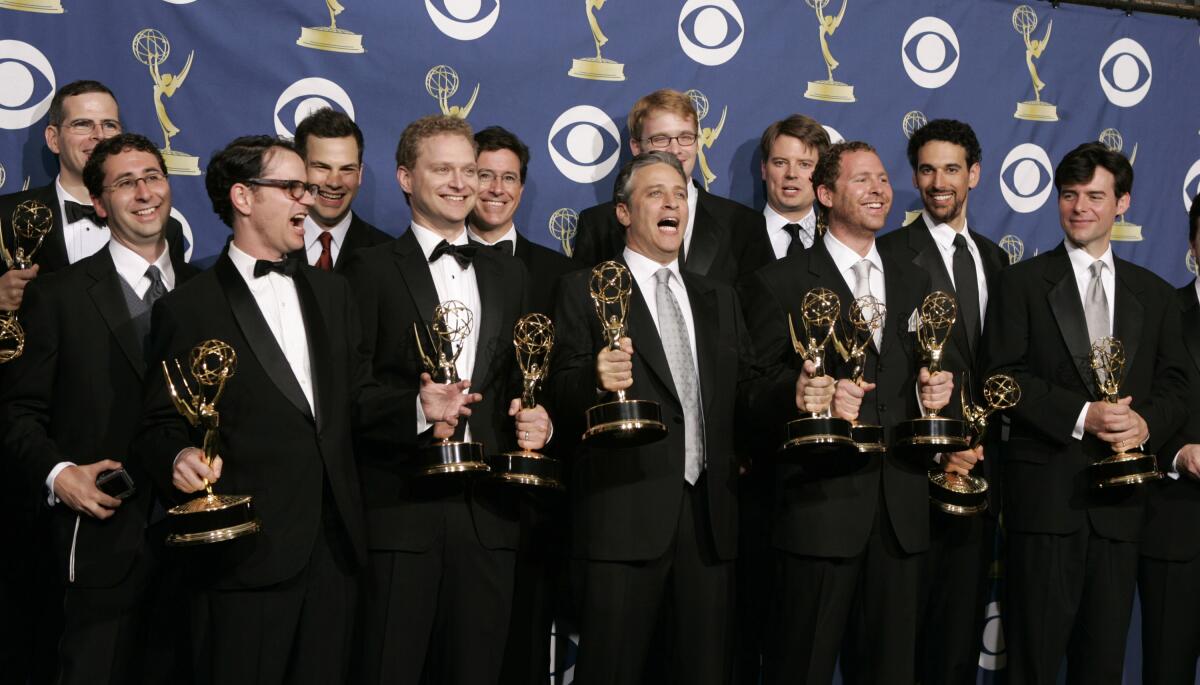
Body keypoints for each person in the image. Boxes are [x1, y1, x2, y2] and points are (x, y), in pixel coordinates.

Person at [135, 134, 468, 685]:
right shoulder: (188, 307)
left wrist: (418, 406)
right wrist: (179, 457)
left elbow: (356, 400)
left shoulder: (333, 294)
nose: (306, 201)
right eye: (290, 188)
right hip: (246, 556)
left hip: (334, 553)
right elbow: (157, 423)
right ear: (243, 198)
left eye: (307, 189)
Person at [341, 115, 548, 685]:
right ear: (406, 178)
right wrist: (416, 409)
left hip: (490, 522)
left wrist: (540, 420)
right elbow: (347, 398)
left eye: (470, 170)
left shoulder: (512, 276)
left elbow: (525, 385)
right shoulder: (366, 272)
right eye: (443, 170)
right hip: (402, 519)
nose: (461, 183)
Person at [547, 150, 764, 684]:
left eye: (680, 194)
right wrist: (594, 375)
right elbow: (555, 392)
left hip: (709, 526)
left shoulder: (719, 297)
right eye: (655, 194)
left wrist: (800, 394)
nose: (672, 203)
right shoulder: (585, 289)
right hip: (623, 522)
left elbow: (750, 392)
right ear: (623, 212)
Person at [739, 140, 951, 684]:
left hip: (900, 514)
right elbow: (749, 395)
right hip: (819, 513)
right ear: (825, 194)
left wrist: (938, 393)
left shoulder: (916, 278)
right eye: (863, 180)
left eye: (882, 179)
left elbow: (922, 374)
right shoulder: (779, 283)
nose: (879, 190)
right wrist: (802, 395)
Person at [982, 142, 1188, 684]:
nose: (1079, 208)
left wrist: (1146, 424)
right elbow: (1000, 379)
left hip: (1122, 512)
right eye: (1069, 195)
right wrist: (1082, 415)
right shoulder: (1020, 283)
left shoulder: (1157, 294)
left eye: (1095, 196)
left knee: (1102, 665)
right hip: (1047, 504)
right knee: (1034, 663)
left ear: (1122, 203)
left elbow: (1175, 384)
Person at [0, 133, 197, 685]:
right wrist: (58, 475)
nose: (144, 192)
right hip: (99, 539)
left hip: (200, 548)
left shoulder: (208, 291)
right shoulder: (57, 296)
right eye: (125, 182)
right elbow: (17, 414)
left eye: (153, 177)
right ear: (99, 203)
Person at [876, 118, 1007, 685]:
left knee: (957, 639)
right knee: (899, 645)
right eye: (927, 169)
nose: (938, 181)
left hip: (982, 476)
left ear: (973, 175)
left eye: (951, 168)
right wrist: (940, 447)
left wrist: (974, 446)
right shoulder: (886, 254)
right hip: (911, 476)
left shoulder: (996, 260)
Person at [571, 88, 772, 286]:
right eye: (661, 139)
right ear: (636, 147)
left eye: (685, 137)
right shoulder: (597, 225)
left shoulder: (744, 225)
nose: (675, 150)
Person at [1137, 193, 1200, 685]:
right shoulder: (1161, 312)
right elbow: (1133, 410)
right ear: (1193, 246)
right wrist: (1177, 453)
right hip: (1178, 529)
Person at [468, 125, 574, 315]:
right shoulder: (438, 262)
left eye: (508, 178)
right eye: (484, 176)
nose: (497, 189)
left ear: (521, 189)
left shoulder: (561, 273)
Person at [289, 107, 390, 272]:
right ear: (300, 169)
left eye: (347, 169)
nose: (334, 182)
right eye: (322, 167)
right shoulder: (269, 245)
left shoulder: (387, 256)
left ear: (360, 174)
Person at [758, 113, 830, 258]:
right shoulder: (735, 238)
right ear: (764, 169)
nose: (791, 174)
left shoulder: (836, 240)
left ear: (821, 173)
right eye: (780, 163)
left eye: (804, 164)